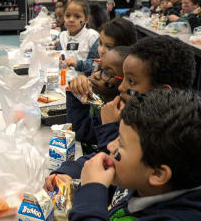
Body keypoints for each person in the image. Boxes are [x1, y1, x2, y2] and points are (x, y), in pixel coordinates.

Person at [49, 35, 195, 179]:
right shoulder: (129, 115)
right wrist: (65, 172)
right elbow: (95, 150)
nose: (121, 87)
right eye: (123, 79)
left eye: (131, 81)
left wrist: (110, 128)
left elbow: (112, 165)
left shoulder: (165, 138)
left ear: (161, 92)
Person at [48, 89, 201, 220]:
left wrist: (91, 190)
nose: (110, 145)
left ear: (157, 174)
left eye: (121, 143)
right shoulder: (139, 179)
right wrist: (68, 173)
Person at [66, 46, 129, 154]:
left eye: (107, 73)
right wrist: (78, 94)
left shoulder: (123, 117)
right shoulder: (101, 101)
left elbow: (109, 158)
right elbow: (81, 131)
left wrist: (109, 126)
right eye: (97, 67)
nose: (95, 75)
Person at [67, 17, 137, 76]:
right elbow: (92, 64)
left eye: (109, 47)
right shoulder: (101, 62)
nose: (101, 50)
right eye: (100, 43)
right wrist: (77, 64)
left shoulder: (122, 72)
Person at [58, 0, 99, 71]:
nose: (71, 20)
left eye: (77, 16)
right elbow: (58, 60)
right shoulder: (62, 36)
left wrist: (77, 64)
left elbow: (97, 64)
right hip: (64, 78)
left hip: (85, 80)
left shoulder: (92, 36)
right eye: (67, 15)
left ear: (86, 19)